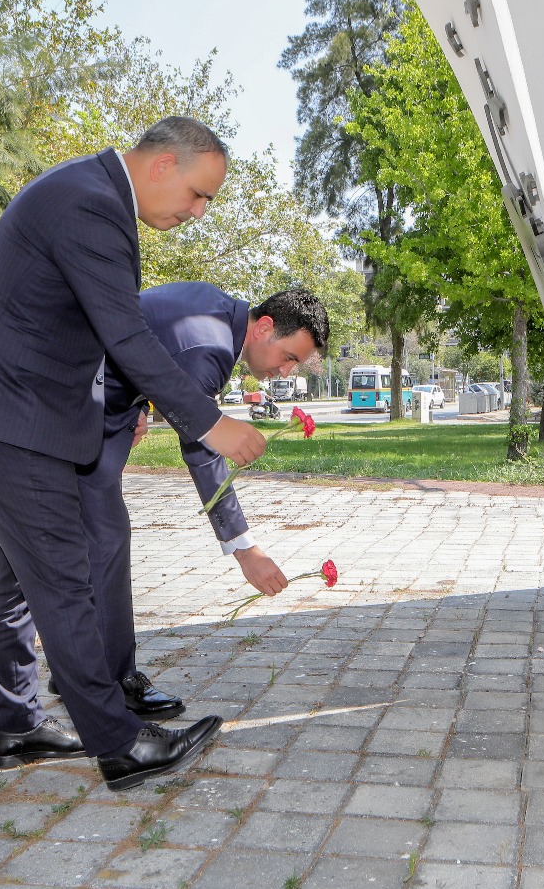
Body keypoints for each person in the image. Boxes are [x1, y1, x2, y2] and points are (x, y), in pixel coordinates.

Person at [0, 117, 269, 791]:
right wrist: (209, 423)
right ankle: (118, 745)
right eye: (199, 195)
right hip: (5, 414)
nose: (198, 213)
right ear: (163, 164)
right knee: (63, 574)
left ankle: (18, 726)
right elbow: (128, 336)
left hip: (4, 410)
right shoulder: (91, 202)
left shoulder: (90, 191)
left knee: (16, 576)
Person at [37, 283, 330, 714]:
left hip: (96, 404)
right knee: (105, 538)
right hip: (69, 407)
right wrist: (245, 549)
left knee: (82, 541)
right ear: (264, 327)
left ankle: (75, 673)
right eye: (289, 357)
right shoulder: (209, 349)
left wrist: (138, 407)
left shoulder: (215, 309)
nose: (286, 371)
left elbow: (145, 344)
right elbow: (201, 444)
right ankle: (112, 684)